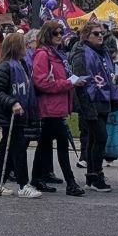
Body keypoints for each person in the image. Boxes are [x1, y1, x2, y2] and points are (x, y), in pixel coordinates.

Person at [30, 20, 83, 196]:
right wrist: (68, 83)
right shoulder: (43, 55)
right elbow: (42, 82)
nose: (60, 36)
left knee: (45, 143)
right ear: (47, 35)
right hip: (49, 106)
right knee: (61, 143)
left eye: (61, 33)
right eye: (56, 33)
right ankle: (70, 182)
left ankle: (37, 178)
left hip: (57, 104)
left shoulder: (56, 54)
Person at [68, 20, 118, 193]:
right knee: (100, 137)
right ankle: (96, 174)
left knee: (94, 139)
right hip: (89, 99)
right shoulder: (81, 52)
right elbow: (79, 79)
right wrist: (85, 106)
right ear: (86, 36)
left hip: (104, 97)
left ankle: (92, 175)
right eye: (96, 34)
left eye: (102, 34)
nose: (100, 37)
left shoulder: (104, 52)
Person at [0, 32, 41, 198]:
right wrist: (12, 103)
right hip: (10, 115)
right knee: (18, 150)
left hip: (20, 114)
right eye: (23, 44)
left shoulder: (22, 64)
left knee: (7, 149)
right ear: (15, 47)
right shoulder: (6, 67)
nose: (26, 47)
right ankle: (23, 184)